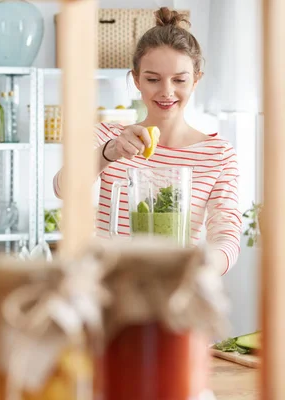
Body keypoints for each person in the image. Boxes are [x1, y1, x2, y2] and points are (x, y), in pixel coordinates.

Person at [52, 7, 241, 275]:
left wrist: (204, 268)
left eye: (179, 80)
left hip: (173, 289)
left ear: (196, 80)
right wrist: (111, 152)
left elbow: (227, 231)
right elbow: (63, 189)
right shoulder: (108, 137)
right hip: (110, 288)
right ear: (137, 79)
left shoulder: (218, 155)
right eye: (153, 79)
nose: (166, 92)